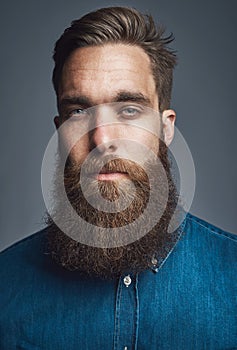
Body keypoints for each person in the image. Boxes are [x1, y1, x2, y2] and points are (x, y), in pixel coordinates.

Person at [0, 7, 236, 350]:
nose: (102, 139)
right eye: (79, 112)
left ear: (165, 127)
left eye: (128, 110)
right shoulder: (6, 287)